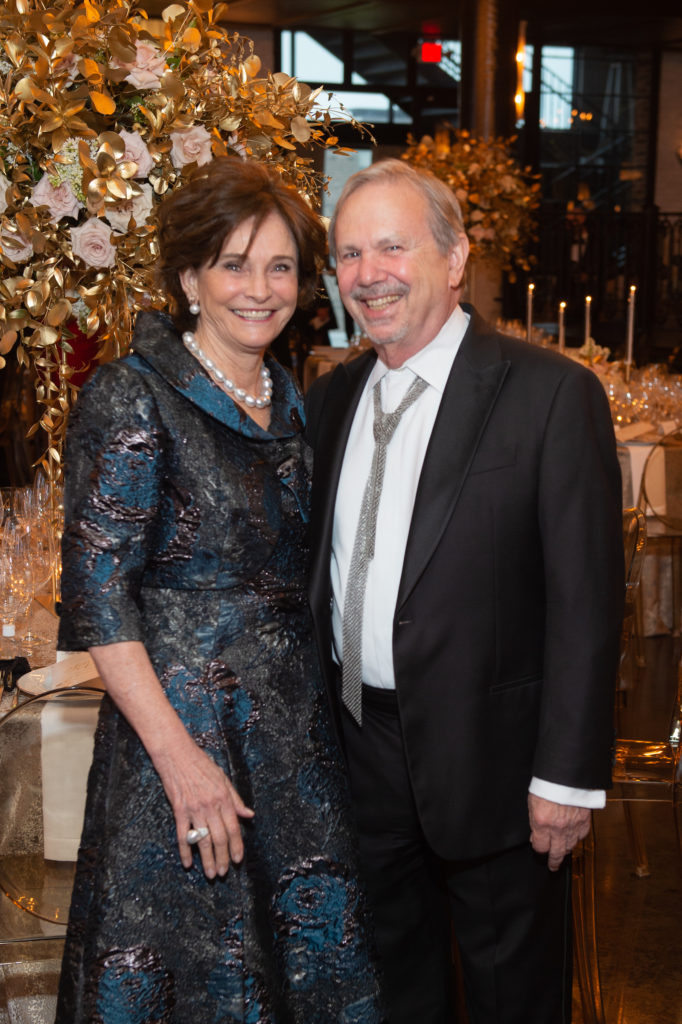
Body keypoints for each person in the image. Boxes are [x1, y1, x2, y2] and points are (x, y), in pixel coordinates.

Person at [55, 157, 385, 1024]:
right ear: (188, 278)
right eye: (234, 264)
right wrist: (180, 761)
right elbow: (99, 599)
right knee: (188, 975)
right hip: (180, 745)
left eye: (280, 267)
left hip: (294, 750)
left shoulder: (294, 397)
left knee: (298, 973)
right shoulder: (133, 395)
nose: (260, 289)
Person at [305, 158, 624, 1024]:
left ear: (454, 259)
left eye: (391, 247)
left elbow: (588, 605)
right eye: (348, 254)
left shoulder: (550, 394)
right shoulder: (330, 400)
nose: (368, 274)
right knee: (394, 994)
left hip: (499, 767)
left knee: (511, 999)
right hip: (359, 750)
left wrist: (566, 778)